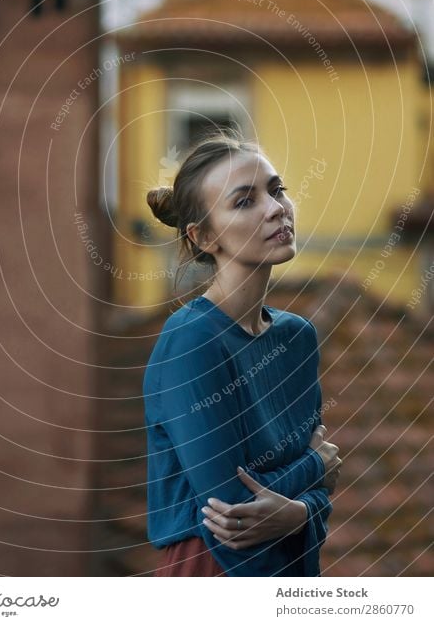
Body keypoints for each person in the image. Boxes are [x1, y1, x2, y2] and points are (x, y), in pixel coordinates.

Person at [142, 130, 342, 577]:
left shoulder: (297, 338)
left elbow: (316, 496)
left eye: (276, 190)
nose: (276, 209)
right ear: (204, 237)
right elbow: (230, 512)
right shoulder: (190, 340)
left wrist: (301, 511)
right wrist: (314, 469)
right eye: (244, 201)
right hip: (209, 572)